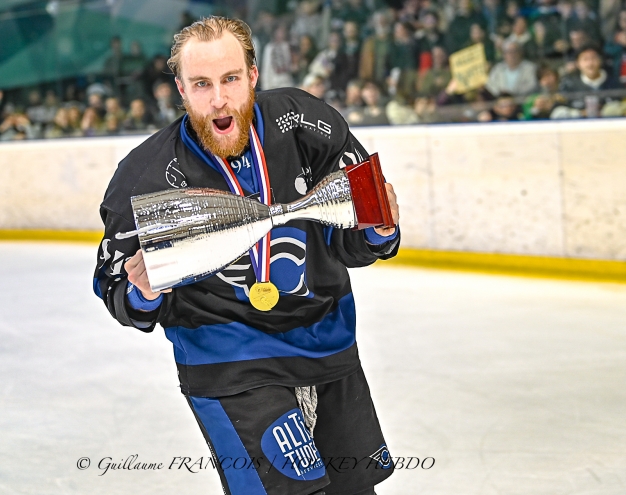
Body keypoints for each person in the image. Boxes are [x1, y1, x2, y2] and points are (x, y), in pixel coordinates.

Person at [93, 16, 401, 495]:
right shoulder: (146, 176)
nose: (218, 99)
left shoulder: (308, 125)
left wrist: (378, 229)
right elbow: (114, 282)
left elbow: (354, 239)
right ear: (181, 89)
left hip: (328, 341)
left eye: (231, 79)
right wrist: (141, 294)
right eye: (201, 84)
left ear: (253, 76)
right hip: (229, 357)